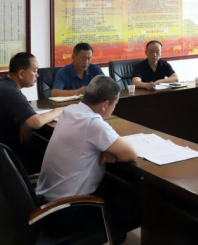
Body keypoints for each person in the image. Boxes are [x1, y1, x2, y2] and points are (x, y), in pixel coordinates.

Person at [36, 76, 139, 244]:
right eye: (115, 104)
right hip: (67, 212)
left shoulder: (71, 110)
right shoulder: (93, 123)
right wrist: (110, 150)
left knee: (118, 186)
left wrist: (108, 149)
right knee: (135, 202)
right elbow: (131, 153)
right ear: (105, 105)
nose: (114, 108)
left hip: (47, 203)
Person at [0, 52, 63, 172]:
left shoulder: (2, 82)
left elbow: (24, 106)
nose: (37, 75)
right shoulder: (9, 91)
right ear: (21, 73)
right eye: (34, 71)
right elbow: (37, 122)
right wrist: (59, 110)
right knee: (53, 155)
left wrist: (25, 121)